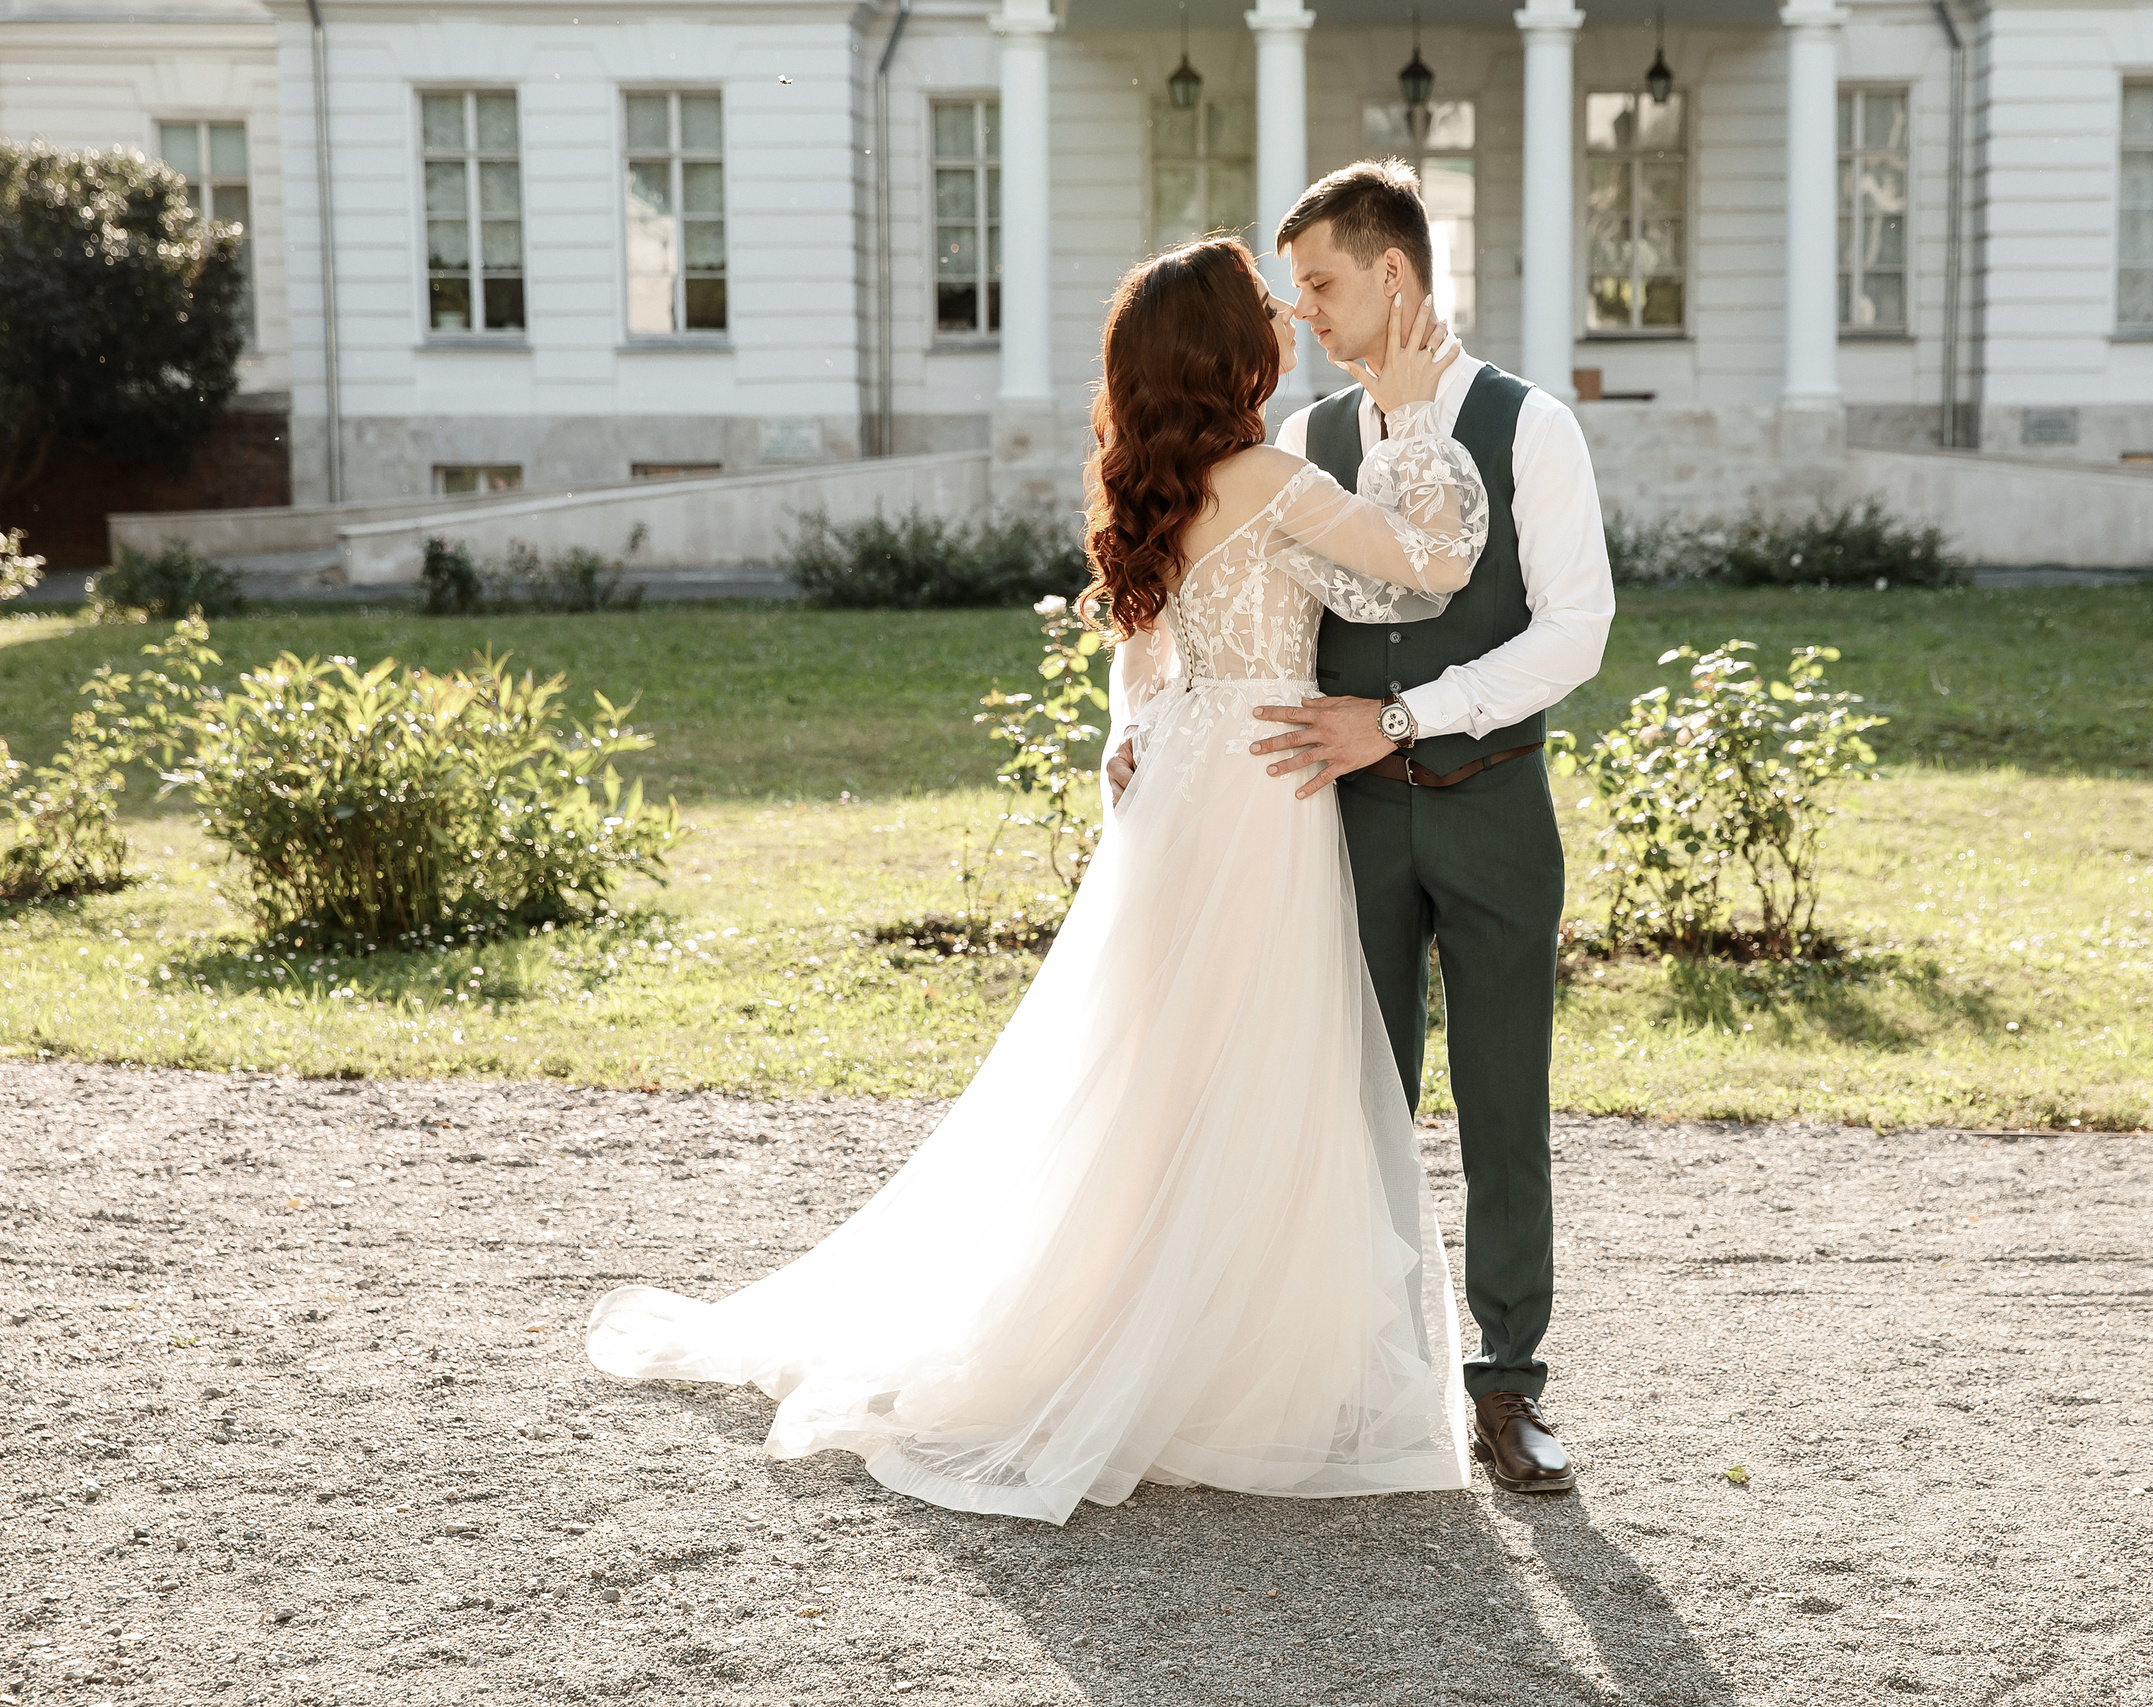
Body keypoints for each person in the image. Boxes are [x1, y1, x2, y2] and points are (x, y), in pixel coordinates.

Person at [585, 237, 1493, 1525]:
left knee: (1153, 1071)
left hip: (1182, 784)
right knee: (1249, 1066)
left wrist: (1131, 740)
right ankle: (1206, 1363)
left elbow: (1142, 663)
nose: (1290, 323)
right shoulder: (1274, 478)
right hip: (1258, 789)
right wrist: (1406, 413)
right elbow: (1433, 561)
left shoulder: (1159, 485)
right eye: (1265, 312)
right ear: (1233, 354)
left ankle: (1134, 1330)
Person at [1110, 160, 1614, 1495]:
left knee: (1506, 1105)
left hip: (1493, 802)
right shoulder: (1305, 448)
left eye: (1323, 286)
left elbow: (1577, 633)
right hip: (1331, 828)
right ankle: (1362, 1377)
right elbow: (1198, 608)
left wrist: (1401, 720)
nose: (1308, 317)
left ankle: (1506, 1388)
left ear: (1393, 276)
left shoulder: (1530, 427)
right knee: (1343, 1105)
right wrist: (1149, 720)